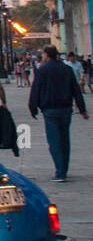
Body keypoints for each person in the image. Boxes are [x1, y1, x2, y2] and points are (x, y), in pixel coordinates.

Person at [28, 44, 88, 181]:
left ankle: (60, 171)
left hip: (49, 110)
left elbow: (35, 90)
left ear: (47, 55)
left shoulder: (42, 70)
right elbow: (76, 90)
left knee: (54, 141)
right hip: (66, 108)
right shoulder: (67, 69)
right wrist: (82, 109)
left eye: (43, 54)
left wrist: (33, 108)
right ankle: (64, 168)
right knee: (64, 139)